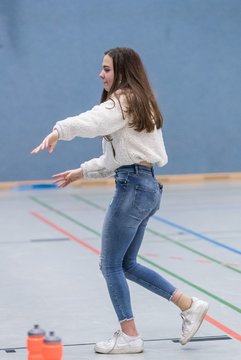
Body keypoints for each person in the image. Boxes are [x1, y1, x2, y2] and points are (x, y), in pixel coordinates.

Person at [31, 47, 209, 354]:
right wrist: (82, 171)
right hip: (147, 187)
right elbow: (119, 158)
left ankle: (130, 336)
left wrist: (59, 130)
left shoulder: (122, 101)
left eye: (107, 69)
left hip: (133, 189)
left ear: (123, 72)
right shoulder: (141, 102)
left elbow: (92, 122)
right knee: (125, 264)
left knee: (109, 264)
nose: (101, 74)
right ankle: (189, 305)